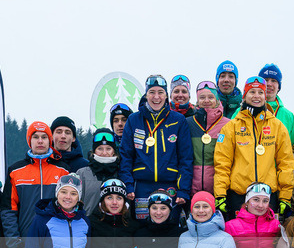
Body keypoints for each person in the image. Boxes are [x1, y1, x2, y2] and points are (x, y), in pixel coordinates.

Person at [213, 77, 294, 218]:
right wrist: (220, 194)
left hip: (267, 196)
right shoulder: (231, 127)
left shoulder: (277, 126)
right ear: (244, 96)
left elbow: (286, 163)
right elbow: (222, 163)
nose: (256, 96)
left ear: (265, 96)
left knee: (268, 233)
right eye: (252, 92)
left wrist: (285, 197)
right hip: (239, 195)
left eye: (260, 92)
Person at [119, 75, 193, 221]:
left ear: (166, 96)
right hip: (141, 186)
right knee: (142, 226)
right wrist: (128, 184)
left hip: (170, 185)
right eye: (152, 92)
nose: (156, 97)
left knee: (169, 225)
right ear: (146, 95)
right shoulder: (134, 120)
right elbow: (126, 156)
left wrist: (183, 190)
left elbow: (186, 158)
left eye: (160, 92)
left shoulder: (178, 120)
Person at [0, 121, 69, 248]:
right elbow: (8, 210)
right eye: (35, 137)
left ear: (50, 141)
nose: (40, 141)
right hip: (26, 243)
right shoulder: (15, 171)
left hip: (56, 243)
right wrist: (14, 242)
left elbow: (70, 208)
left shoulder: (63, 170)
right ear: (29, 141)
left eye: (44, 137)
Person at [187, 81, 231, 195]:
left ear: (217, 100)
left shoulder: (228, 124)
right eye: (202, 97)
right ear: (197, 101)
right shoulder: (188, 123)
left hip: (219, 188)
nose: (206, 100)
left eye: (211, 97)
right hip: (192, 188)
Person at [75, 128, 122, 213]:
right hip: (88, 220)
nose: (104, 153)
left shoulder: (122, 173)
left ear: (114, 151)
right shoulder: (82, 174)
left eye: (108, 149)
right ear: (94, 151)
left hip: (115, 220)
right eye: (100, 149)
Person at [257, 63, 294, 145]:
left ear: (278, 87)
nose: (269, 84)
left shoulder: (289, 117)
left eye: (273, 81)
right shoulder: (243, 110)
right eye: (266, 80)